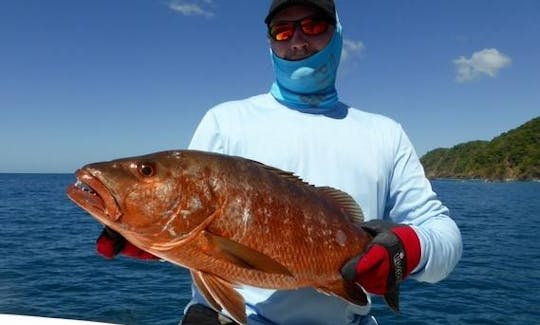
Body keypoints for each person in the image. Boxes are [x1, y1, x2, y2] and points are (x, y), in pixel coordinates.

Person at [96, 0, 462, 324]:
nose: (298, 41)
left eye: (314, 26)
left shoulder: (385, 133)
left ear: (338, 34)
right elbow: (201, 236)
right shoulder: (224, 121)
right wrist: (152, 239)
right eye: (282, 30)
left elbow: (445, 236)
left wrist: (409, 251)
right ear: (270, 43)